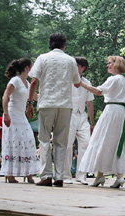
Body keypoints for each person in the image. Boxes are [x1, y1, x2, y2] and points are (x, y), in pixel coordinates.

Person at [27, 33, 81, 187]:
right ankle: (59, 176)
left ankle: (45, 175)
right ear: (64, 45)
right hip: (65, 105)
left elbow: (34, 81)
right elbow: (77, 83)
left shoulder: (42, 58)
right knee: (61, 141)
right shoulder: (71, 60)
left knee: (44, 140)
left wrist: (30, 102)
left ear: (50, 44)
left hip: (47, 103)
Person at [78, 56, 125, 188]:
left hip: (112, 111)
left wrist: (80, 83)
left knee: (103, 140)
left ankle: (100, 176)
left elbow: (98, 91)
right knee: (117, 142)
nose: (108, 66)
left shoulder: (114, 79)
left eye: (110, 63)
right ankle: (116, 176)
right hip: (123, 113)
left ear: (116, 65)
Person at [0, 58, 40, 183]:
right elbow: (5, 96)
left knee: (29, 140)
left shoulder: (27, 83)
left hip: (22, 115)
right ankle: (10, 174)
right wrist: (6, 114)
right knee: (12, 141)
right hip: (12, 113)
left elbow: (35, 96)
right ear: (27, 68)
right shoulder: (15, 80)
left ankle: (28, 173)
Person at [63, 57, 94, 185]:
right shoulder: (66, 80)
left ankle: (82, 175)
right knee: (67, 144)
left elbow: (90, 104)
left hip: (82, 116)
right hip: (69, 114)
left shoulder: (87, 83)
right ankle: (66, 175)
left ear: (83, 68)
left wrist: (92, 123)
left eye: (76, 65)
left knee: (86, 144)